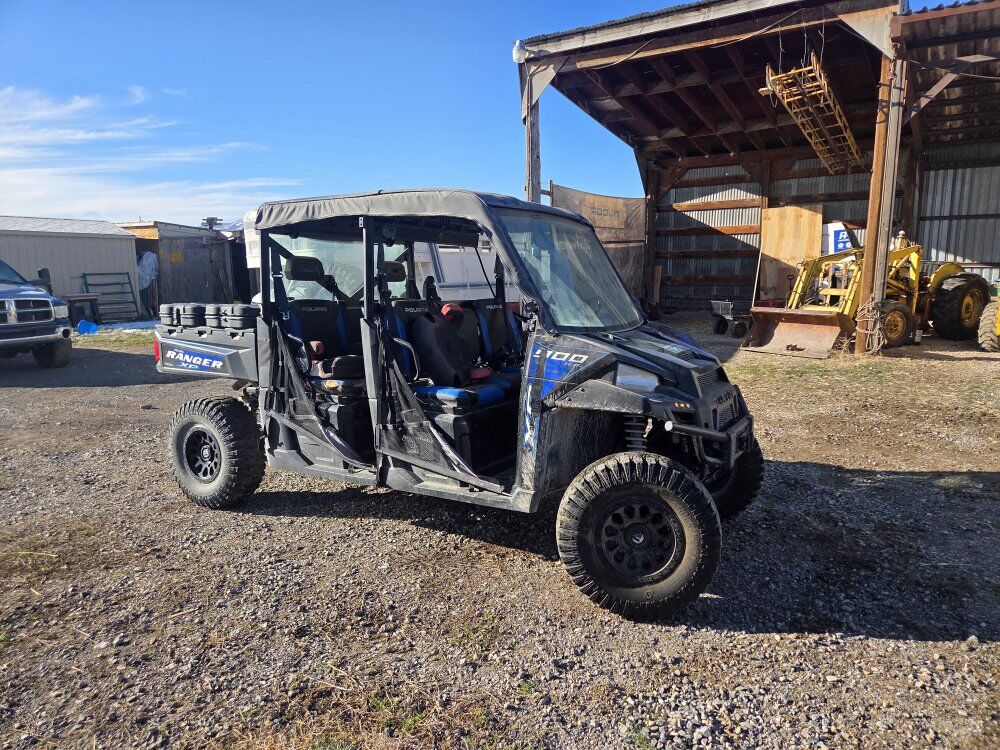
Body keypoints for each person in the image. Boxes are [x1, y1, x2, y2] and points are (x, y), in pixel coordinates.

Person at [137, 249, 159, 318]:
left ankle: (153, 311)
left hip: (150, 280)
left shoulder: (149, 256)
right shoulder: (142, 259)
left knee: (151, 297)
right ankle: (150, 312)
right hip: (147, 281)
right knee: (146, 297)